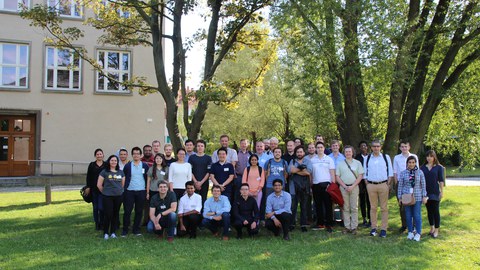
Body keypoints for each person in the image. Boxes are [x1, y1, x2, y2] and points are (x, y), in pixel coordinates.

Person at [363, 140, 393, 238]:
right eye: (374, 146)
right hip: (371, 185)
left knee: (384, 208)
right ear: (371, 148)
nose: (376, 148)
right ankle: (374, 228)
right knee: (373, 207)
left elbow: (390, 172)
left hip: (383, 184)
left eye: (378, 146)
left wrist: (388, 184)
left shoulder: (385, 157)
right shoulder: (367, 158)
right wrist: (367, 184)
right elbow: (364, 173)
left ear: (380, 147)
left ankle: (383, 229)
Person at [335, 146, 364, 235]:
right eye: (346, 152)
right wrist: (344, 186)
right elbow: (337, 176)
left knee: (354, 207)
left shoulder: (357, 163)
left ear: (352, 153)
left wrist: (353, 185)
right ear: (344, 153)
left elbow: (360, 175)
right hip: (343, 188)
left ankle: (354, 227)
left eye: (349, 151)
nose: (348, 153)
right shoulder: (340, 163)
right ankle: (347, 227)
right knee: (345, 207)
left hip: (354, 187)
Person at [398, 156, 427, 241]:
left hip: (417, 196)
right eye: (409, 162)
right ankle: (410, 232)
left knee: (417, 215)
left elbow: (423, 185)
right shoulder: (403, 173)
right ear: (407, 163)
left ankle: (418, 233)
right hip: (406, 197)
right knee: (408, 215)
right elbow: (400, 186)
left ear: (415, 163)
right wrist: (400, 197)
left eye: (413, 162)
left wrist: (424, 196)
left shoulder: (420, 172)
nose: (411, 164)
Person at [122, 146, 149, 236]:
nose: (136, 155)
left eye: (138, 153)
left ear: (141, 155)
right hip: (129, 191)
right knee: (127, 211)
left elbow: (147, 178)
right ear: (132, 155)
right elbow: (125, 177)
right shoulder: (128, 166)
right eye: (134, 154)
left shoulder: (145, 166)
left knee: (139, 211)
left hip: (141, 191)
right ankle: (125, 230)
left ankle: (136, 229)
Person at [393, 141, 419, 233]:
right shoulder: (397, 158)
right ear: (400, 148)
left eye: (406, 146)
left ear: (409, 147)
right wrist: (397, 184)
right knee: (403, 206)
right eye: (402, 147)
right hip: (401, 184)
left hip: (412, 184)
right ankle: (405, 225)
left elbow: (417, 170)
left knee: (414, 203)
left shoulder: (414, 157)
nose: (404, 148)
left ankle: (415, 225)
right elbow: (395, 172)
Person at [97, 155, 125, 240]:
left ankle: (113, 232)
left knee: (115, 214)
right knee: (108, 214)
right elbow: (99, 185)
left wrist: (118, 191)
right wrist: (106, 192)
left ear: (117, 162)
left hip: (118, 196)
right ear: (109, 161)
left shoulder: (121, 172)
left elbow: (122, 184)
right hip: (107, 197)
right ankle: (106, 233)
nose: (113, 162)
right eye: (112, 160)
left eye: (115, 161)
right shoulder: (104, 172)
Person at [310, 142, 335, 233]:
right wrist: (311, 184)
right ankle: (320, 223)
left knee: (328, 205)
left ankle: (329, 224)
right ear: (316, 149)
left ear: (324, 148)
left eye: (321, 147)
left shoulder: (329, 159)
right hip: (316, 185)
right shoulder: (312, 160)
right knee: (318, 205)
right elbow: (311, 174)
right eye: (318, 147)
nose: (320, 149)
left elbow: (332, 173)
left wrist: (332, 184)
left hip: (327, 185)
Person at [420, 150, 444, 238]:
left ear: (434, 157)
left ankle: (437, 230)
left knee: (436, 211)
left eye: (431, 156)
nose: (429, 158)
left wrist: (441, 191)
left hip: (435, 192)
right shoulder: (422, 168)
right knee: (429, 211)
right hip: (425, 192)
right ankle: (432, 228)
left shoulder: (439, 167)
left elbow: (441, 180)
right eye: (427, 156)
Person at [288, 145, 312, 232]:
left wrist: (296, 170)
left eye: (301, 152)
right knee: (293, 206)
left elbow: (308, 172)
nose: (299, 153)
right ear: (296, 153)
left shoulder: (308, 161)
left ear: (304, 153)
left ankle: (303, 225)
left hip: (305, 187)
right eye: (297, 152)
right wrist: (301, 169)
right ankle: (292, 224)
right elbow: (290, 171)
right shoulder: (292, 161)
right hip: (293, 187)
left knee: (304, 207)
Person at [85, 148, 106, 230]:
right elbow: (88, 177)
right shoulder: (92, 165)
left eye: (100, 154)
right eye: (97, 154)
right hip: (94, 190)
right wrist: (88, 187)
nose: (99, 155)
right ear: (95, 156)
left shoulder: (106, 164)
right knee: (95, 208)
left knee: (101, 207)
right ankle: (97, 223)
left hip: (103, 189)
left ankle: (102, 222)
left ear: (103, 155)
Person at [188, 139, 212, 206]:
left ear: (204, 147)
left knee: (203, 200)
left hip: (204, 183)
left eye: (202, 146)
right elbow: (190, 171)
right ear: (196, 147)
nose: (200, 147)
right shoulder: (192, 158)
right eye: (198, 146)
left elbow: (208, 172)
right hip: (193, 183)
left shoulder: (208, 158)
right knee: (193, 200)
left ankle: (202, 215)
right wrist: (195, 182)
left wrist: (201, 182)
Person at [354, 140, 370, 227]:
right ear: (359, 148)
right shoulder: (357, 157)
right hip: (360, 181)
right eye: (361, 146)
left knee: (369, 200)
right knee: (362, 200)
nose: (363, 147)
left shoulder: (371, 157)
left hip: (369, 180)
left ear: (367, 147)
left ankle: (370, 218)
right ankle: (364, 218)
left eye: (365, 146)